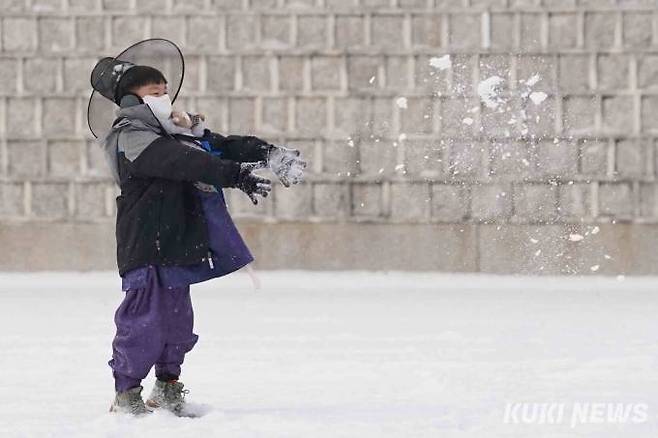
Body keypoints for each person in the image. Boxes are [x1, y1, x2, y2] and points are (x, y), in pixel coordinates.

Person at [88, 39, 306, 417]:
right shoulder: (131, 137)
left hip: (177, 239)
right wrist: (234, 176)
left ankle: (169, 387)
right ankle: (127, 394)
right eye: (155, 93)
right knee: (144, 322)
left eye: (166, 91)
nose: (165, 98)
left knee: (177, 324)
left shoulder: (174, 131)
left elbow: (217, 147)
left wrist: (268, 154)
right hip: (146, 243)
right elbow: (181, 163)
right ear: (131, 101)